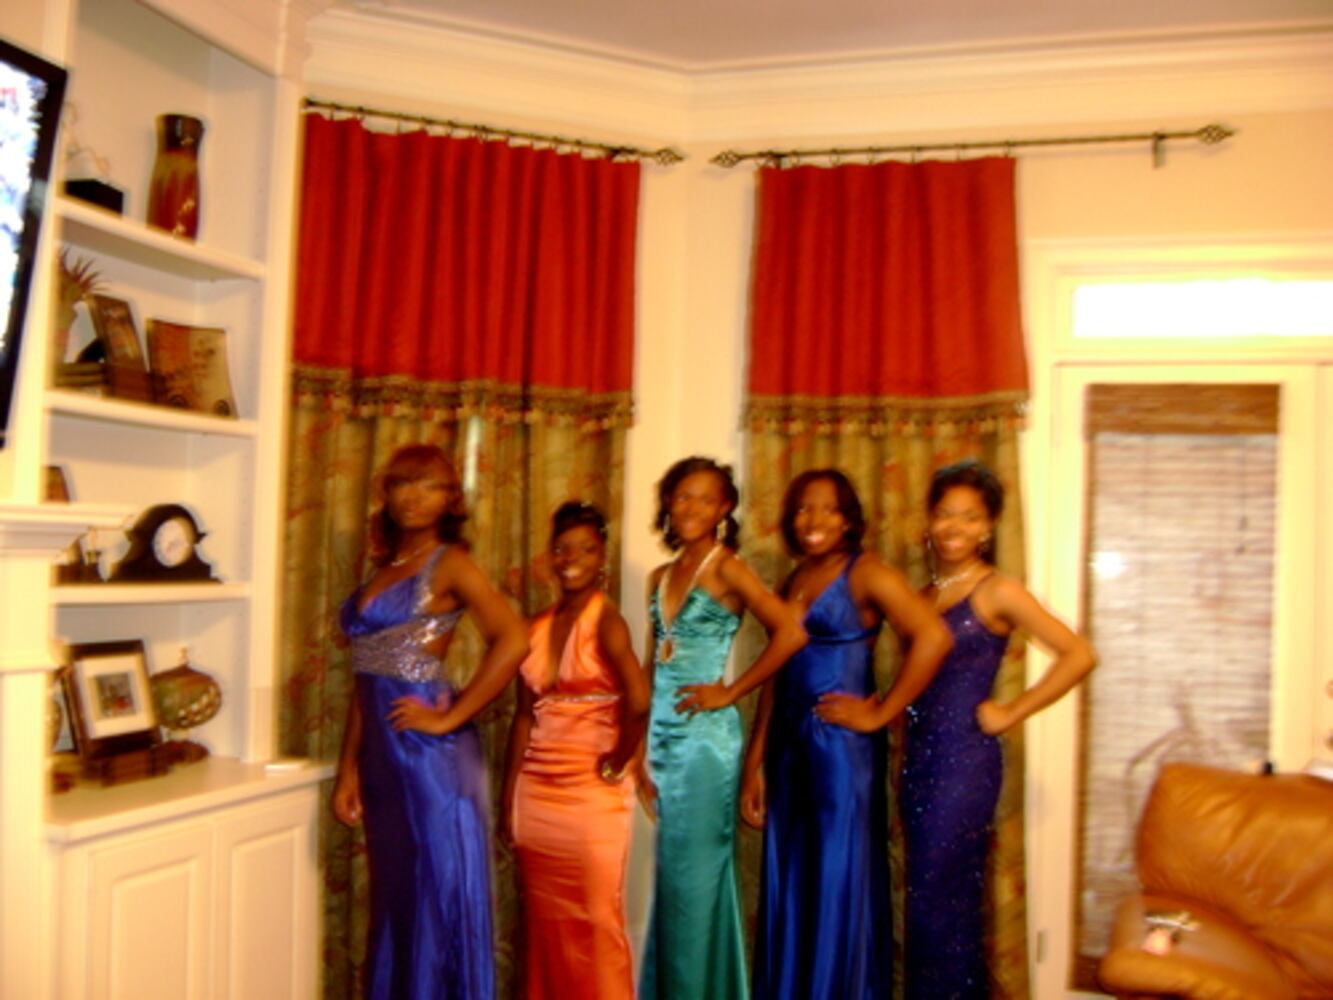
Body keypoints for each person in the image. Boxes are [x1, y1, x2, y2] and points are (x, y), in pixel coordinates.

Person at [818, 458, 1096, 999]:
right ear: (929, 520)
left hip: (965, 762)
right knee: (927, 899)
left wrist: (1012, 711)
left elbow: (1079, 654)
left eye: (970, 518)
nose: (955, 527)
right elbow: (916, 679)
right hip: (918, 762)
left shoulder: (997, 591)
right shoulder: (922, 596)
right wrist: (879, 710)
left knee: (941, 903)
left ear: (988, 528)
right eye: (946, 514)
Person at [741, 469, 953, 1000]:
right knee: (795, 881)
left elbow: (933, 636)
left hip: (840, 754)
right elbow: (777, 675)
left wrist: (881, 714)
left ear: (848, 519)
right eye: (803, 508)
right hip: (789, 753)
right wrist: (755, 762)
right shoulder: (794, 579)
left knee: (837, 878)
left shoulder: (867, 572)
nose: (813, 519)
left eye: (828, 508)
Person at [331, 443, 529, 1000]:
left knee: (433, 898)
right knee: (399, 899)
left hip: (430, 759)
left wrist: (452, 718)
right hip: (383, 761)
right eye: (402, 483)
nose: (413, 497)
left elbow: (514, 639)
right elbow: (365, 683)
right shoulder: (385, 569)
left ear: (451, 500)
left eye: (429, 485)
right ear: (386, 493)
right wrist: (348, 769)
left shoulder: (451, 563)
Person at [639, 456, 807, 1000]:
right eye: (681, 496)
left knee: (696, 886)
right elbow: (650, 668)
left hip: (706, 746)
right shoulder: (660, 577)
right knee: (674, 886)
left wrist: (732, 691)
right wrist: (637, 750)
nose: (691, 507)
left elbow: (791, 633)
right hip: (662, 742)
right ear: (669, 503)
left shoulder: (727, 567)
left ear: (724, 508)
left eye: (705, 498)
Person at [501, 501, 650, 1000]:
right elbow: (524, 717)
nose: (572, 559)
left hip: (591, 795)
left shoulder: (607, 621)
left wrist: (620, 759)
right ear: (550, 555)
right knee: (546, 923)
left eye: (586, 549)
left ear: (603, 557)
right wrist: (509, 798)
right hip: (537, 795)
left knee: (596, 918)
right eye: (563, 548)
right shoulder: (533, 627)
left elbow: (639, 701)